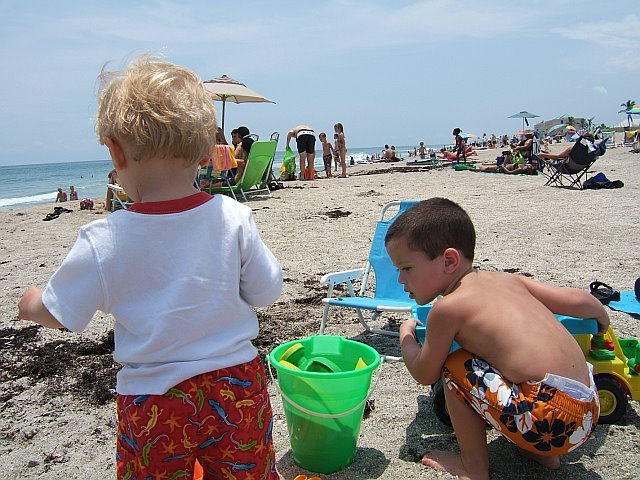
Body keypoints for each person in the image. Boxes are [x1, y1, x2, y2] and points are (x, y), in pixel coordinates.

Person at [18, 56, 283, 480]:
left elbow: (61, 314)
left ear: (114, 151)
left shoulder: (103, 240)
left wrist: (30, 302)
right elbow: (268, 291)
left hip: (155, 403)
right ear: (204, 152)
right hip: (236, 390)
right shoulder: (232, 217)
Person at [385, 198, 607, 480]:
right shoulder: (507, 280)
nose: (401, 280)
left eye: (406, 268)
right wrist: (600, 315)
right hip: (588, 408)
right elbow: (578, 300)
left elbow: (424, 372)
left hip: (548, 420)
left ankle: (473, 468)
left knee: (454, 367)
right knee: (506, 364)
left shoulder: (447, 308)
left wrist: (406, 336)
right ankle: (544, 456)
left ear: (449, 261)